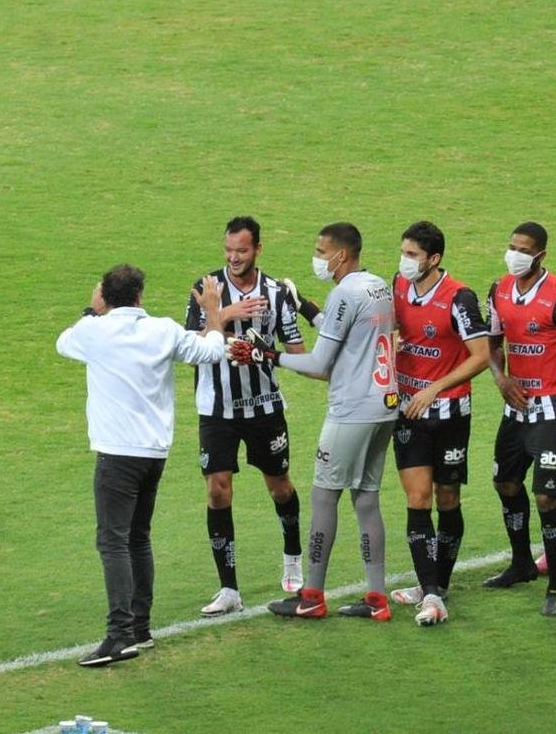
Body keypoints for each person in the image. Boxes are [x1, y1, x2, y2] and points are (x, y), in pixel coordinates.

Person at [57, 264, 227, 666]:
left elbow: (63, 342)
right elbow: (212, 350)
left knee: (113, 541)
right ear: (139, 296)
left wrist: (91, 311)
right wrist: (213, 312)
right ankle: (140, 629)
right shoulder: (163, 330)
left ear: (105, 298)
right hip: (154, 454)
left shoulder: (94, 331)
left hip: (117, 454)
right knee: (137, 538)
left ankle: (120, 635)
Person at [229, 223, 399, 621]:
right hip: (384, 405)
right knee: (366, 499)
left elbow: (321, 362)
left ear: (342, 255)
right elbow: (347, 335)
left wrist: (267, 356)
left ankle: (311, 596)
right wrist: (305, 306)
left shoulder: (344, 293)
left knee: (324, 496)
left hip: (351, 410)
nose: (318, 258)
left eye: (322, 252)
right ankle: (377, 599)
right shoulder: (377, 286)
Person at [186, 216, 309, 617]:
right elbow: (192, 347)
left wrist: (263, 351)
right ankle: (229, 589)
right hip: (216, 408)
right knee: (217, 490)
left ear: (257, 249)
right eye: (228, 250)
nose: (233, 257)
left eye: (241, 250)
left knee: (280, 487)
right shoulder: (206, 289)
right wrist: (223, 313)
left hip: (264, 406)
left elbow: (297, 353)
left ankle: (292, 557)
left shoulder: (276, 293)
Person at [484, 222, 556, 617]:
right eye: (511, 246)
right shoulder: (498, 290)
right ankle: (521, 564)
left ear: (541, 255)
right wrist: (501, 379)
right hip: (516, 408)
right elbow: (492, 345)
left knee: (546, 495)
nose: (514, 255)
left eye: (523, 249)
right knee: (505, 482)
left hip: (554, 409)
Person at [384, 222, 490, 626]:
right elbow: (392, 325)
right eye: (403, 252)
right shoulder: (398, 285)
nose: (405, 261)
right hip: (408, 412)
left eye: (412, 255)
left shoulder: (459, 298)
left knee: (447, 498)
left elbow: (481, 355)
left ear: (434, 259)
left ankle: (438, 584)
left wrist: (435, 388)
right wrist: (392, 340)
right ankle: (429, 591)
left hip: (450, 413)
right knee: (418, 498)